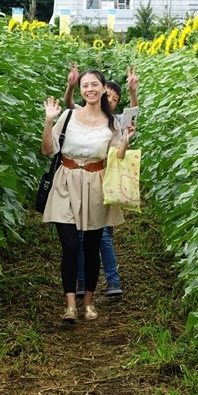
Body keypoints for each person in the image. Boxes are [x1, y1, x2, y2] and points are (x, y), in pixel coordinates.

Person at [42, 69, 136, 323]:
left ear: (104, 88)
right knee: (71, 246)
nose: (89, 89)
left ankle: (89, 304)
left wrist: (126, 140)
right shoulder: (69, 116)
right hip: (66, 181)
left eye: (94, 84)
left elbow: (116, 156)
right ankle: (70, 305)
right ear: (80, 90)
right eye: (85, 85)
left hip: (96, 183)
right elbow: (48, 150)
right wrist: (49, 120)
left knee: (92, 246)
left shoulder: (111, 122)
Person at [64, 64, 139, 298]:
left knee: (101, 235)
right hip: (80, 180)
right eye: (109, 95)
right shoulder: (83, 115)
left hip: (104, 181)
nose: (111, 100)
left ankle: (112, 280)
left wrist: (133, 91)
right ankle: (81, 281)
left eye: (116, 99)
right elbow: (69, 105)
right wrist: (71, 85)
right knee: (77, 236)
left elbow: (133, 115)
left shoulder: (113, 121)